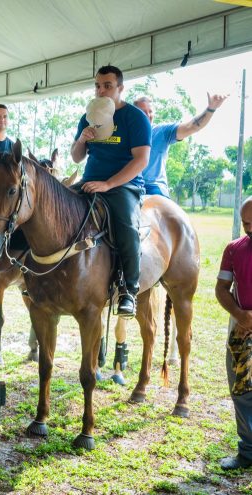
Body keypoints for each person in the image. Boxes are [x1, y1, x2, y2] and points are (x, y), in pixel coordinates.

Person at [108, 92, 229, 380]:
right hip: (125, 193)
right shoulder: (121, 135)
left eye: (149, 112)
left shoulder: (160, 133)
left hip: (154, 197)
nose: (145, 116)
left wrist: (210, 107)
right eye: (140, 112)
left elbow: (192, 126)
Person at [70, 65, 151, 317]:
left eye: (107, 85)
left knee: (126, 225)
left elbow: (141, 160)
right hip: (89, 180)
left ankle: (129, 289)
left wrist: (108, 184)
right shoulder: (88, 115)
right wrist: (82, 139)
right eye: (97, 85)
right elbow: (76, 157)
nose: (101, 90)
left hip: (124, 185)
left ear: (120, 88)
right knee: (53, 207)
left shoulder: (134, 117)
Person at [216, 198, 252, 471]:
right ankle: (247, 451)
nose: (249, 228)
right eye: (246, 223)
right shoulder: (234, 249)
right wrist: (241, 315)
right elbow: (221, 288)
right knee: (241, 390)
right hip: (241, 330)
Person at [135, 93, 228, 198]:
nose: (148, 115)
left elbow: (191, 126)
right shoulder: (124, 135)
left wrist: (211, 109)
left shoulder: (162, 132)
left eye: (150, 111)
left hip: (154, 187)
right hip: (131, 185)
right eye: (143, 112)